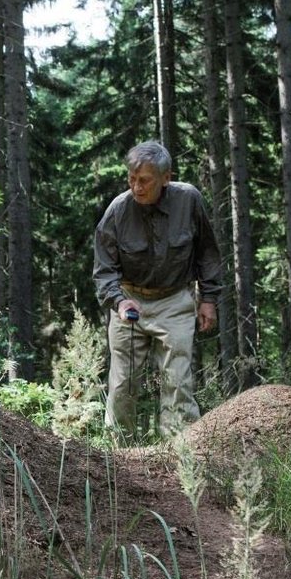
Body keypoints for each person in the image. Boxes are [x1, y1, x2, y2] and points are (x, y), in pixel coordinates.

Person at [93, 141, 222, 439]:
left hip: (176, 300)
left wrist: (209, 299)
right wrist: (119, 302)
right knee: (123, 383)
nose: (137, 187)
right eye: (131, 179)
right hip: (129, 300)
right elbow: (104, 269)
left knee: (178, 382)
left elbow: (208, 252)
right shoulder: (118, 210)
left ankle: (181, 454)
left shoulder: (188, 200)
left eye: (144, 180)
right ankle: (119, 458)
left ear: (166, 178)